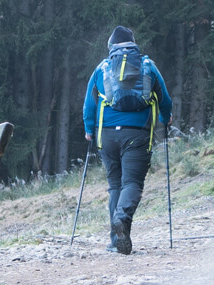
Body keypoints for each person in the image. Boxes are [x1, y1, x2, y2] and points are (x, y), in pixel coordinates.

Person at [83, 25, 172, 255]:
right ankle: (121, 219)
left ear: (111, 47)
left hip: (108, 135)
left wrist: (89, 129)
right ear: (133, 44)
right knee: (131, 183)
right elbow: (164, 98)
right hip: (138, 133)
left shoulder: (102, 68)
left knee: (115, 185)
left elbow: (89, 103)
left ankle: (116, 240)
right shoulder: (147, 66)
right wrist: (165, 118)